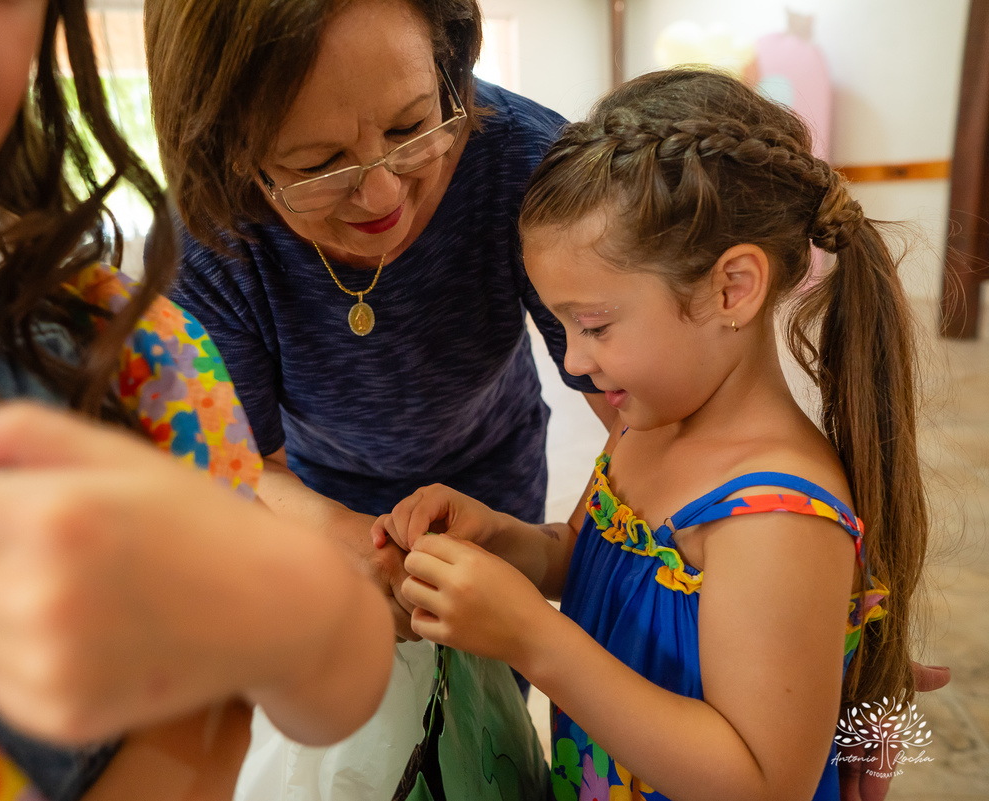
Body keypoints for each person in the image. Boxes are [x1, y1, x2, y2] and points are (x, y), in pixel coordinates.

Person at [0, 1, 393, 799]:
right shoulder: (208, 256)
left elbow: (306, 660)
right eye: (320, 160)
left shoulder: (125, 344)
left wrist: (297, 607)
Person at [374, 68, 930, 800]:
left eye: (594, 324)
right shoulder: (646, 424)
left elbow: (764, 782)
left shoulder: (776, 518)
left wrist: (533, 639)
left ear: (732, 288)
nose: (573, 361)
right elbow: (591, 559)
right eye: (561, 324)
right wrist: (502, 541)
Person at [144, 0, 609, 796]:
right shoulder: (209, 237)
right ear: (231, 153)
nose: (383, 193)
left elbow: (640, 409)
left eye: (410, 126)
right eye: (319, 163)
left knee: (484, 729)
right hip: (308, 496)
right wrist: (352, 542)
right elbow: (237, 468)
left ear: (449, 65)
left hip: (492, 470)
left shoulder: (527, 164)